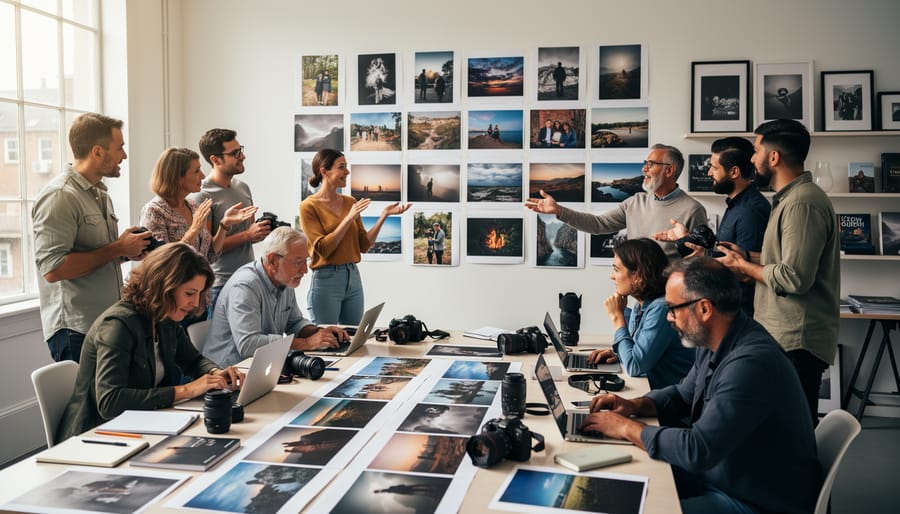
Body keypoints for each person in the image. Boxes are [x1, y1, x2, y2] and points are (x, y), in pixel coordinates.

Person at [581, 257, 821, 514]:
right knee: (611, 488)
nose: (669, 318)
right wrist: (633, 405)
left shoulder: (751, 364)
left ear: (705, 309)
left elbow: (698, 449)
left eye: (673, 308)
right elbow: (682, 396)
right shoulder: (719, 340)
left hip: (755, 500)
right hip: (725, 475)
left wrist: (626, 428)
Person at [716, 118, 839, 424]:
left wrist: (742, 266)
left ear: (774, 157)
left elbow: (794, 277)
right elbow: (780, 260)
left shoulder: (803, 204)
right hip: (782, 335)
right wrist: (746, 255)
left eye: (756, 151)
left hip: (795, 339)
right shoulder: (789, 200)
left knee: (791, 430)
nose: (752, 159)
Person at [55, 243, 244, 441]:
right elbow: (110, 402)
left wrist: (214, 373)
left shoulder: (165, 317)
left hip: (141, 426)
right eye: (189, 293)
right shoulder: (117, 325)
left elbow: (192, 360)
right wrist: (186, 390)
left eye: (199, 293)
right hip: (94, 436)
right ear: (163, 286)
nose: (195, 303)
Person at [32, 113, 151, 362]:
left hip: (106, 324)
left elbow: (97, 255)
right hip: (77, 331)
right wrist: (115, 248)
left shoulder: (100, 195)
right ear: (98, 152)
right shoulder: (59, 196)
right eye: (120, 148)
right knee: (88, 403)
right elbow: (53, 270)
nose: (124, 156)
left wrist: (125, 250)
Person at [526, 144, 708, 261]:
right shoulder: (635, 202)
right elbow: (598, 224)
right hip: (638, 298)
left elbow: (701, 262)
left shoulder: (692, 210)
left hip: (671, 304)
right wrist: (559, 211)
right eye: (645, 163)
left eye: (650, 164)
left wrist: (684, 241)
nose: (643, 169)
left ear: (669, 171)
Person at [655, 137, 770, 315]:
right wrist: (685, 238)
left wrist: (704, 258)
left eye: (714, 168)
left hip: (740, 315)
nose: (709, 173)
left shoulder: (750, 212)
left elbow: (744, 272)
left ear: (734, 172)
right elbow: (725, 254)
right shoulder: (737, 205)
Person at [204, 227, 349, 368]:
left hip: (262, 367)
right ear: (273, 261)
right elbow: (248, 344)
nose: (305, 270)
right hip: (229, 373)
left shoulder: (284, 279)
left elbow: (294, 322)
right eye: (299, 262)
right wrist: (307, 343)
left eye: (306, 261)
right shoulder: (245, 286)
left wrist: (319, 333)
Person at [299, 149, 410, 324]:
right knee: (326, 343)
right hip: (326, 280)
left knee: (353, 341)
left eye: (346, 166)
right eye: (341, 167)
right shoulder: (308, 207)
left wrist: (384, 216)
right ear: (324, 171)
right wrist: (349, 217)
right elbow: (323, 249)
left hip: (353, 277)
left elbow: (364, 245)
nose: (347, 172)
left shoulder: (350, 202)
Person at [587, 239, 694, 389]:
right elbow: (635, 354)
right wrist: (618, 355)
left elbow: (634, 366)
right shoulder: (641, 306)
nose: (612, 276)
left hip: (670, 401)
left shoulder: (661, 308)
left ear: (637, 276)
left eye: (616, 270)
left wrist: (617, 317)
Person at [189, 129, 272, 319]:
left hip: (250, 279)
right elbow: (206, 249)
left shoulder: (243, 187)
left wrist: (260, 231)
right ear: (215, 160)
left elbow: (249, 235)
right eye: (235, 153)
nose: (242, 156)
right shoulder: (202, 195)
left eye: (240, 149)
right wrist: (247, 235)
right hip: (221, 285)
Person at [139, 147, 256, 268]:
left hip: (200, 285)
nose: (202, 175)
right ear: (178, 177)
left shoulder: (192, 206)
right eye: (196, 171)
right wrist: (194, 230)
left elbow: (210, 255)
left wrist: (224, 224)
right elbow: (161, 263)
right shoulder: (154, 211)